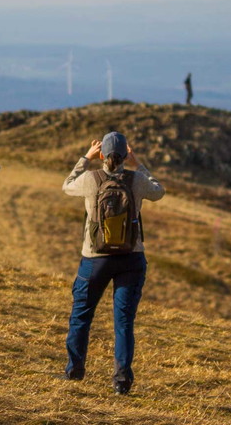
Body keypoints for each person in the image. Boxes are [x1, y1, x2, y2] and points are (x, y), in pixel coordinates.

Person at [62, 131, 165, 395]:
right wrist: (138, 163)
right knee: (123, 321)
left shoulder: (90, 179)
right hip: (131, 258)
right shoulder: (137, 179)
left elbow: (67, 184)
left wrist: (86, 157)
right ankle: (121, 381)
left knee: (81, 316)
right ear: (124, 155)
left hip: (95, 259)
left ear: (102, 154)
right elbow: (159, 191)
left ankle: (74, 371)